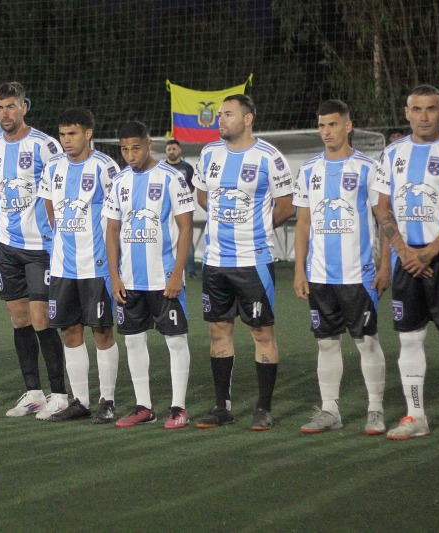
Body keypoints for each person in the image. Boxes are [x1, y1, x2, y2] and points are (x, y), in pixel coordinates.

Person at [193, 94, 295, 430]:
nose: (220, 120)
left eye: (228, 114)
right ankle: (222, 406)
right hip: (215, 260)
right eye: (219, 114)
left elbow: (286, 205)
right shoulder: (209, 153)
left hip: (253, 260)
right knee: (217, 330)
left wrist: (257, 227)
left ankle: (263, 408)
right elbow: (202, 195)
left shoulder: (269, 157)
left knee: (262, 332)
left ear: (248, 118)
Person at [293, 100, 389, 435]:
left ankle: (375, 410)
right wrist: (299, 270)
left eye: (332, 125)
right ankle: (330, 410)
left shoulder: (368, 168)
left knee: (367, 341)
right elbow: (303, 223)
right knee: (326, 343)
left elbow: (383, 218)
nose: (326, 132)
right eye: (321, 126)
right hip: (320, 277)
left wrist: (385, 265)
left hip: (358, 275)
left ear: (348, 126)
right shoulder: (308, 170)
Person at [0, 82, 68, 420]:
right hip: (7, 246)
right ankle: (33, 392)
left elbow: (60, 188)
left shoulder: (45, 146)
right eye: (0, 107)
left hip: (40, 247)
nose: (5, 113)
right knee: (18, 318)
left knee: (41, 318)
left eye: (10, 107)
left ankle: (59, 393)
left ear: (24, 107)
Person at [103, 121, 195, 428]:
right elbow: (112, 230)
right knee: (132, 341)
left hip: (164, 278)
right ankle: (144, 406)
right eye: (125, 149)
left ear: (149, 144)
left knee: (176, 341)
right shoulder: (118, 181)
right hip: (129, 281)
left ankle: (178, 407)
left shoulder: (172, 178)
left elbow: (185, 228)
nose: (130, 155)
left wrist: (177, 273)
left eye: (136, 148)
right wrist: (114, 277)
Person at [372, 84, 439, 440]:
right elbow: (381, 206)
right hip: (407, 260)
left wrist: (431, 251)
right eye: (416, 109)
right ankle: (415, 416)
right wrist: (404, 253)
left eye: (430, 109)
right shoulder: (391, 154)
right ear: (406, 114)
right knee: (410, 339)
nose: (423, 116)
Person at [36, 108, 121, 423]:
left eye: (72, 134)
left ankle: (107, 400)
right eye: (62, 134)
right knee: (70, 331)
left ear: (88, 133)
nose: (66, 140)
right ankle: (81, 401)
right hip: (61, 267)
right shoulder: (53, 167)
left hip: (95, 265)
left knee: (101, 330)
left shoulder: (105, 167)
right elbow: (48, 203)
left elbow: (117, 214)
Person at [166, 139, 197, 278]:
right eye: (169, 149)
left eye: (174, 149)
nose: (171, 151)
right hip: (166, 209)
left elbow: (192, 186)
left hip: (184, 208)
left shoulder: (188, 168)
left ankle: (190, 270)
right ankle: (168, 266)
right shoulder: (162, 168)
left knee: (187, 236)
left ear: (179, 150)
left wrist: (181, 194)